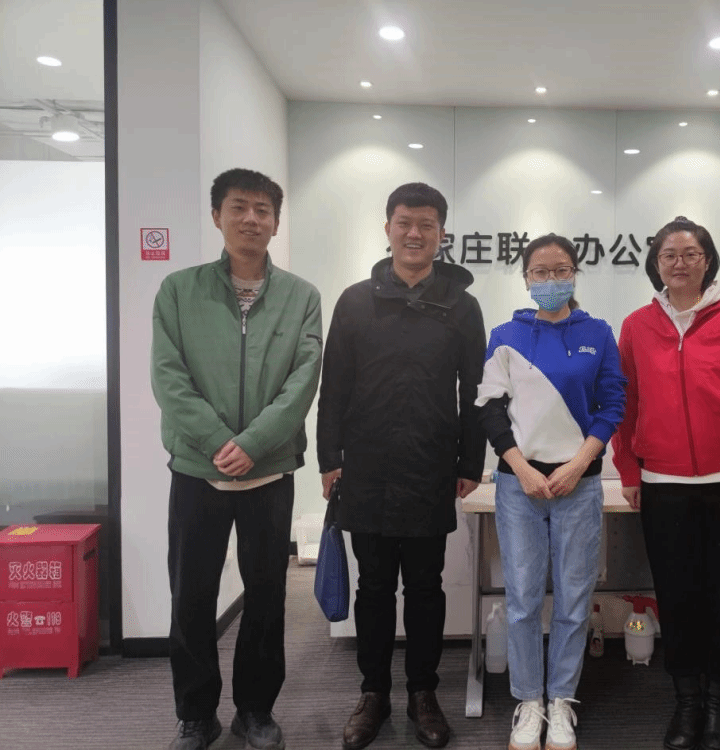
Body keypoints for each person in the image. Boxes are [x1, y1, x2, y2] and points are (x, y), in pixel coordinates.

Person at [151, 168, 323, 750]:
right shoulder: (179, 290)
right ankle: (195, 714)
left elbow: (303, 381)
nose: (251, 218)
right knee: (191, 597)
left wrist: (252, 444)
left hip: (269, 471)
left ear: (275, 221)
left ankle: (255, 710)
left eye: (262, 210)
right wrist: (217, 442)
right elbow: (168, 377)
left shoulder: (301, 296)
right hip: (196, 471)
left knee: (268, 597)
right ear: (216, 216)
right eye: (238, 207)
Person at [316, 182, 487, 750]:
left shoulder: (461, 306)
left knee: (425, 588)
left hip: (430, 467)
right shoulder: (354, 301)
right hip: (364, 468)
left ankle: (422, 693)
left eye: (427, 225)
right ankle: (373, 693)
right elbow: (334, 387)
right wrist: (329, 458)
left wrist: (470, 460)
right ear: (387, 228)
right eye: (405, 222)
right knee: (372, 589)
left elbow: (475, 391)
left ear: (441, 234)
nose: (415, 234)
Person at [611, 217, 720, 750]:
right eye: (669, 255)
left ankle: (717, 705)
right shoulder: (637, 325)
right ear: (655, 264)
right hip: (663, 483)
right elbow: (625, 403)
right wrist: (630, 470)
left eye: (690, 253)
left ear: (707, 260)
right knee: (678, 596)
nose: (680, 263)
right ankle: (686, 702)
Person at [476, 234, 626, 750]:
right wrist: (519, 468)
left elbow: (612, 403)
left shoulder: (598, 333)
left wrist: (579, 464)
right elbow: (489, 408)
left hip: (579, 484)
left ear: (574, 273)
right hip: (519, 484)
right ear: (526, 278)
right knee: (521, 598)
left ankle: (561, 699)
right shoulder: (505, 335)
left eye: (561, 270)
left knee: (573, 597)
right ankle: (528, 700)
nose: (550, 280)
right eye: (540, 272)